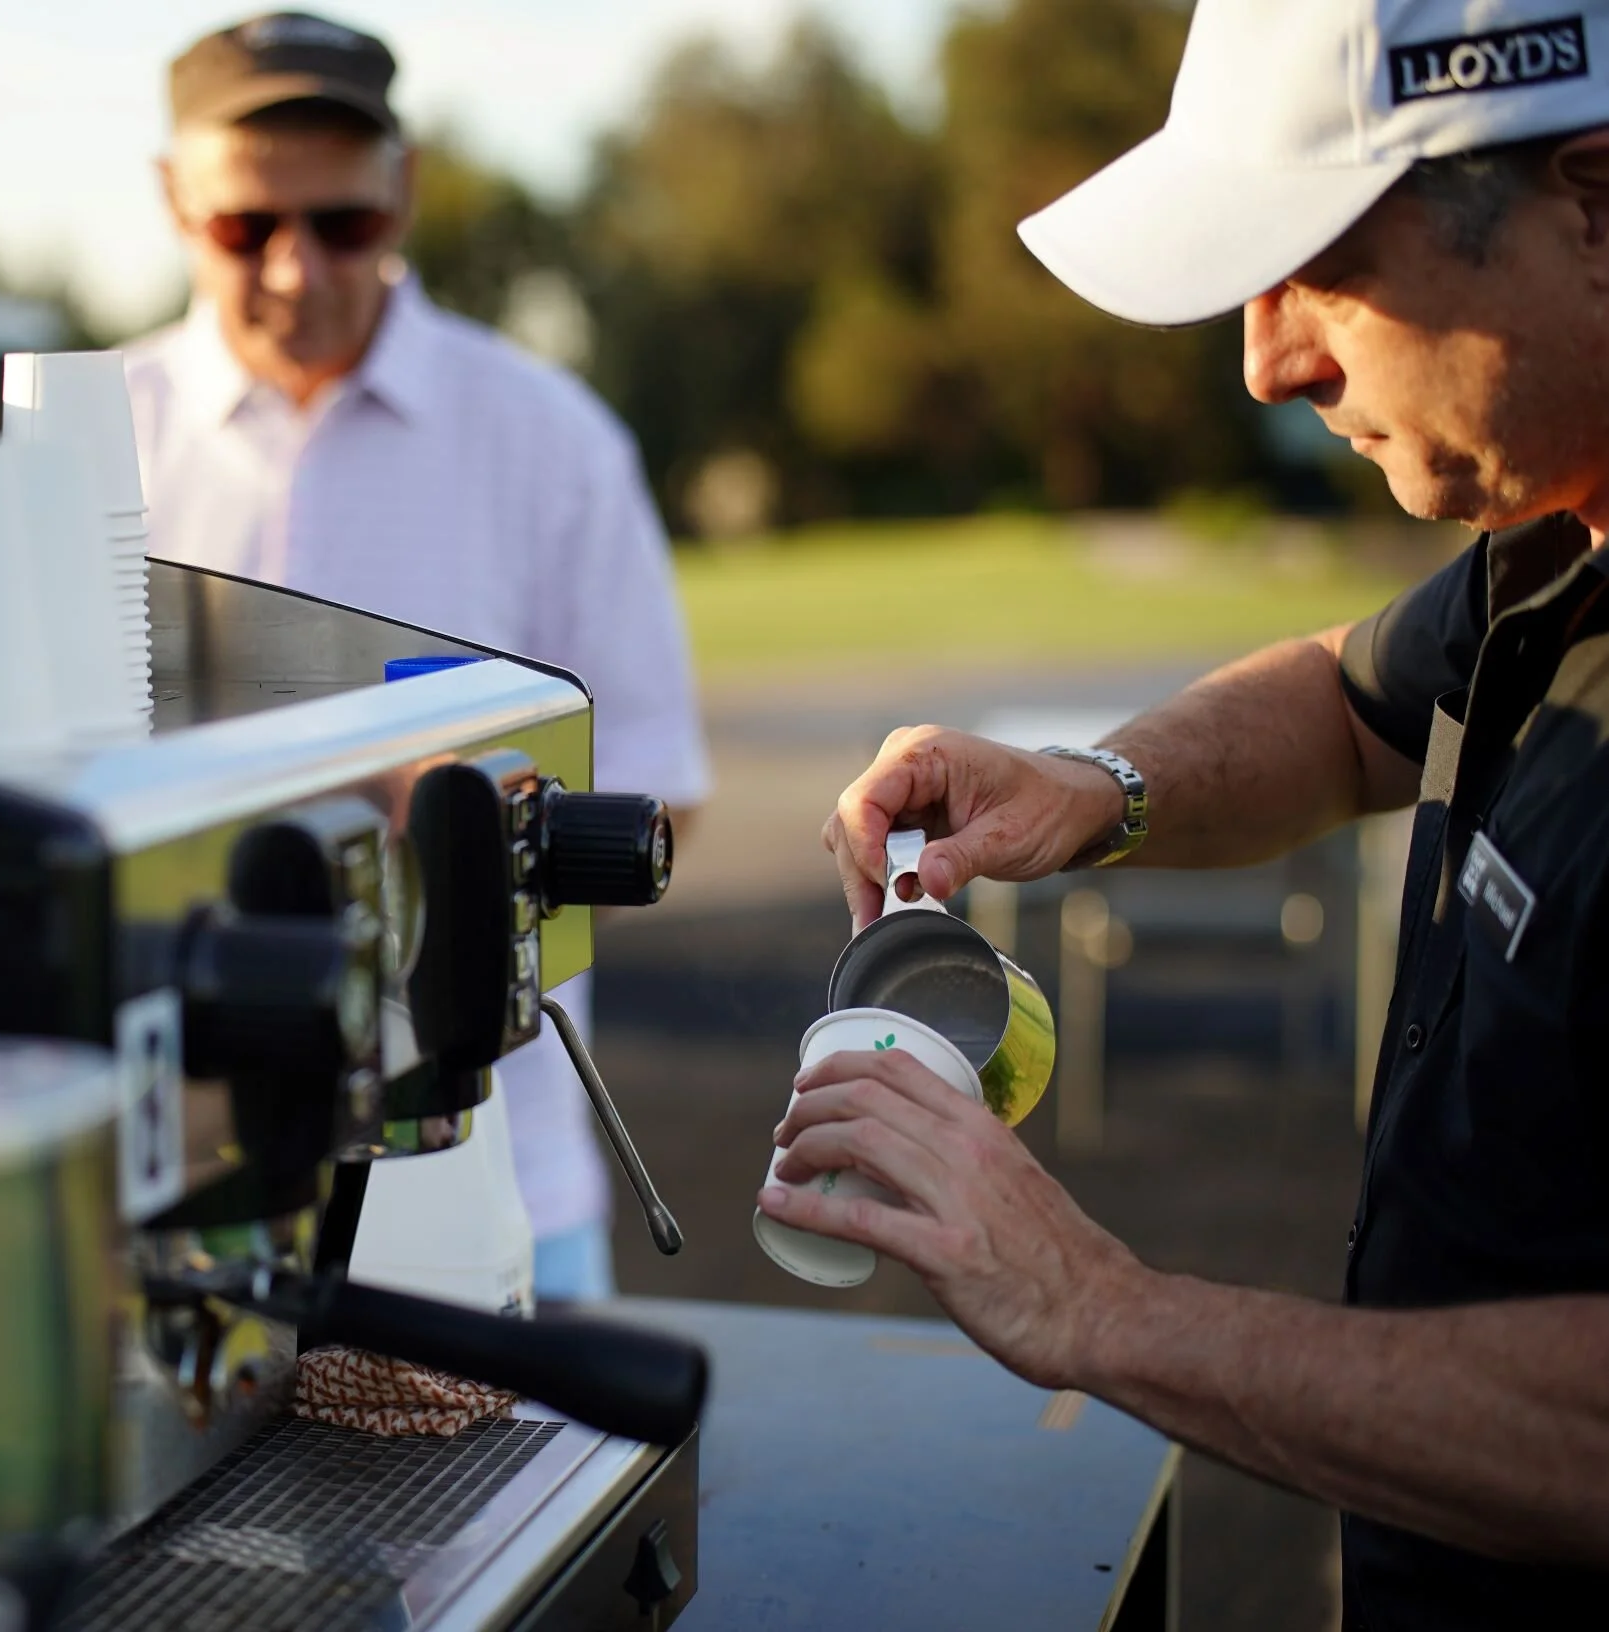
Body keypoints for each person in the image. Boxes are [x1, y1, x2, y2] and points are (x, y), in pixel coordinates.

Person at [773, 1, 1609, 1624]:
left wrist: (1100, 1308)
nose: (1266, 358)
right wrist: (1095, 789)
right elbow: (1349, 701)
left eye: (1317, 264)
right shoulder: (1557, 528)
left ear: (1593, 204)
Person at [125, 13, 711, 1302]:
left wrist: (468, 814)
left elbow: (662, 790)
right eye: (245, 229)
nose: (295, 270)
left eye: (343, 223)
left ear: (407, 187)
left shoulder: (553, 441)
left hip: (500, 1169)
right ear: (173, 198)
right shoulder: (90, 437)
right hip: (172, 1183)